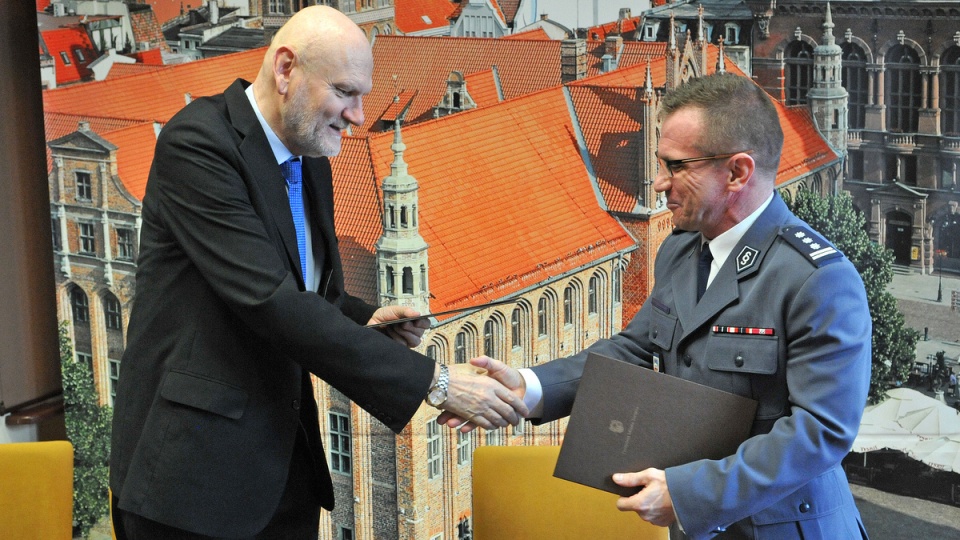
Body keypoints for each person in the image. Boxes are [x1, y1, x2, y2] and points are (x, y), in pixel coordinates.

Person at [109, 6, 526, 539]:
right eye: (346, 92)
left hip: (282, 468)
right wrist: (437, 383)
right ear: (286, 69)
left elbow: (311, 291)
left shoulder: (311, 158)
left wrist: (366, 316)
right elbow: (269, 300)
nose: (357, 114)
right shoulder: (199, 146)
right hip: (193, 480)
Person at [440, 73, 872, 539]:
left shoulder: (818, 280)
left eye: (676, 166)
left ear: (737, 172)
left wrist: (690, 493)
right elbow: (634, 352)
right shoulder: (682, 249)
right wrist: (527, 388)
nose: (660, 182)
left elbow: (820, 432)